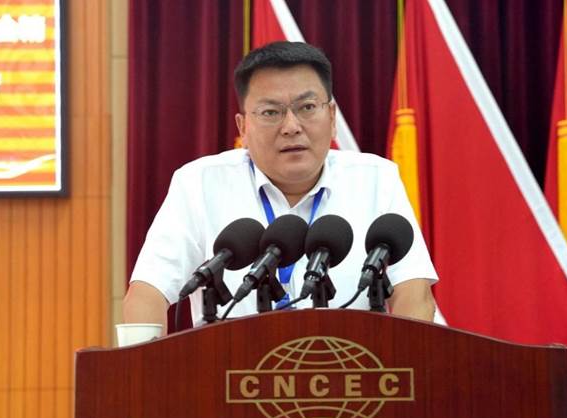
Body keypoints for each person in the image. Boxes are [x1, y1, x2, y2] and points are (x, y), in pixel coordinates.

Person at [123, 41, 438, 332]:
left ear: (331, 117)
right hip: (231, 371)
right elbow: (147, 293)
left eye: (307, 107)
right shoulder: (200, 183)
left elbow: (414, 293)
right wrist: (145, 369)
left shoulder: (376, 180)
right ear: (243, 127)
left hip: (352, 367)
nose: (291, 127)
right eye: (271, 112)